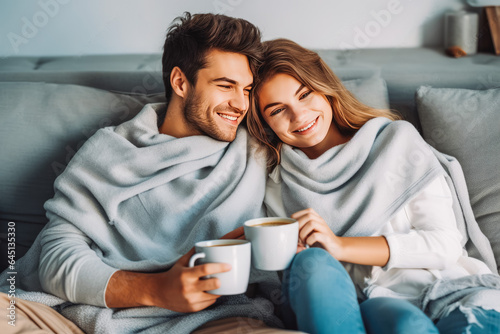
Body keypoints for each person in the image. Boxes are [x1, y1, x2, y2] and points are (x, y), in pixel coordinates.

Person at [0, 15, 303, 334]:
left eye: (247, 89)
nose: (240, 103)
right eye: (225, 86)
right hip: (80, 316)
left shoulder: (258, 148)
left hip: (212, 321)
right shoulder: (113, 150)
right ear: (180, 82)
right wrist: (158, 289)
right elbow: (56, 257)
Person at [247, 38, 500, 334]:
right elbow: (294, 279)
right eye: (277, 110)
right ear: (263, 122)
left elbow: (444, 244)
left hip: (452, 294)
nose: (299, 115)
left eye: (305, 94)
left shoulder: (396, 141)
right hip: (369, 308)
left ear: (325, 87)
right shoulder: (278, 184)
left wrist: (340, 245)